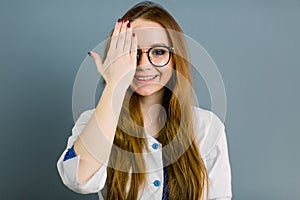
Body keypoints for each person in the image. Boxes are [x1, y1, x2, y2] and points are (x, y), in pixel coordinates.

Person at [57, 1, 232, 199]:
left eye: (158, 52)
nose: (144, 65)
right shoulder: (93, 121)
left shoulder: (207, 126)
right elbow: (78, 179)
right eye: (132, 53)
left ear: (175, 57)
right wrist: (115, 83)